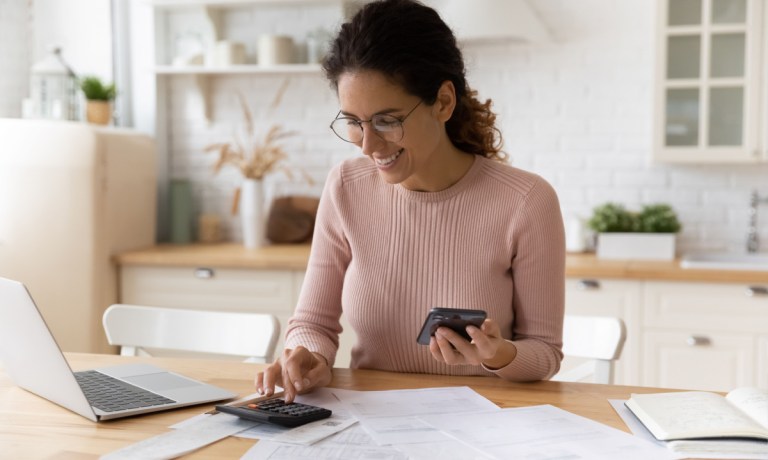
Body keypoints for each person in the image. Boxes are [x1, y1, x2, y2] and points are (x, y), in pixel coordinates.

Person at [256, 0, 565, 402]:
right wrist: (309, 356)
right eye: (353, 122)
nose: (368, 145)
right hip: (369, 420)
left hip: (483, 422)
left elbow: (544, 352)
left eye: (387, 120)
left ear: (443, 102)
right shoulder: (346, 187)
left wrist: (501, 355)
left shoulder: (526, 201)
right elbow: (313, 321)